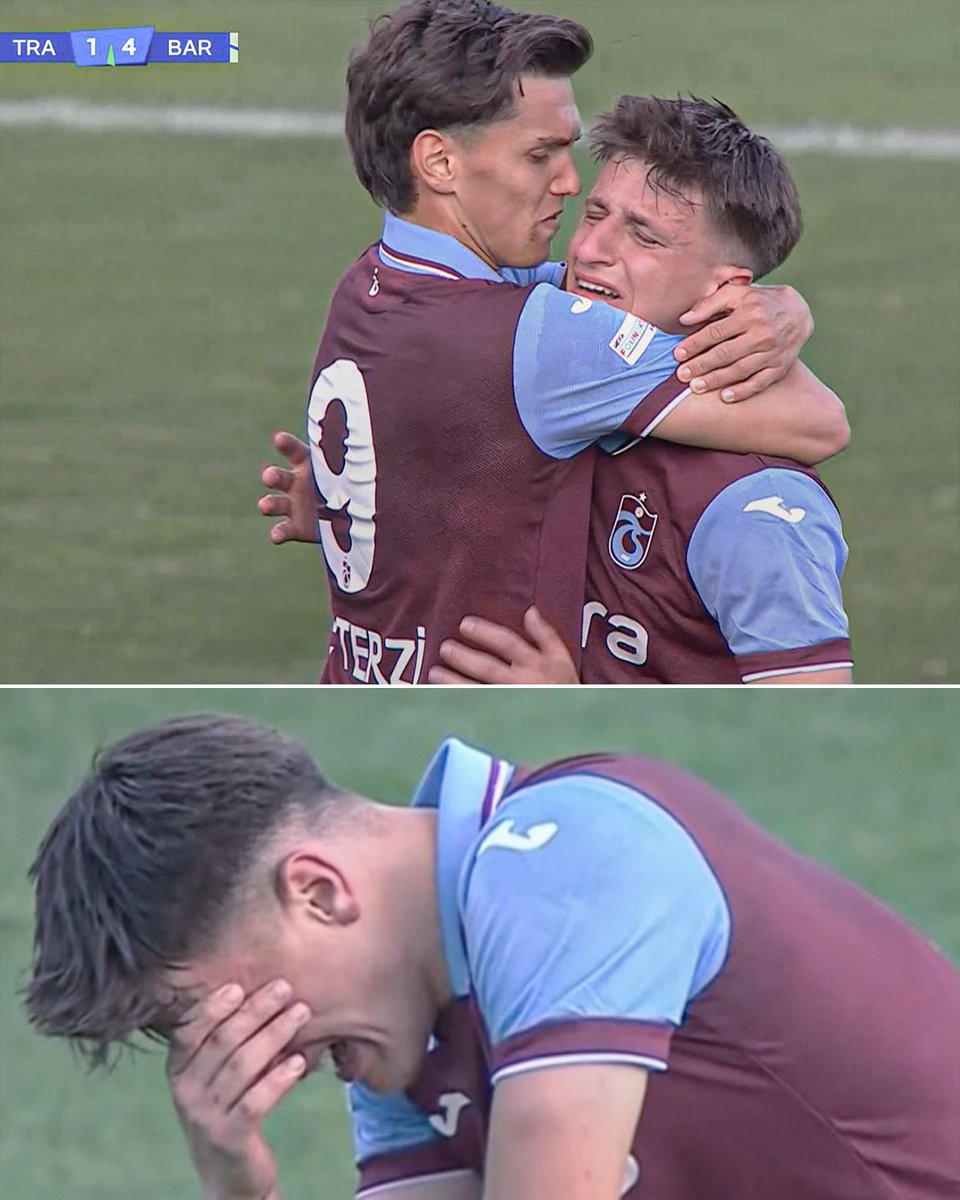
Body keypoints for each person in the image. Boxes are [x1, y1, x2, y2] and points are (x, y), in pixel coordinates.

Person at [26, 714, 960, 1200]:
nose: (257, 1058)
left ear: (318, 892)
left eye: (209, 1013)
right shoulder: (408, 1035)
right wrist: (239, 1184)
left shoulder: (561, 865)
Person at [261, 0, 847, 684]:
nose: (569, 189)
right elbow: (822, 423)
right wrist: (771, 313)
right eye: (541, 154)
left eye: (642, 234)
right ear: (440, 162)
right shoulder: (542, 339)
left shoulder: (370, 283)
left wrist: (378, 501)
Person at [428, 97, 853, 685]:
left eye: (644, 238)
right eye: (595, 213)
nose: (590, 250)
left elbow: (814, 733)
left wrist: (568, 706)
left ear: (724, 292)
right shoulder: (541, 347)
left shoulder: (756, 508)